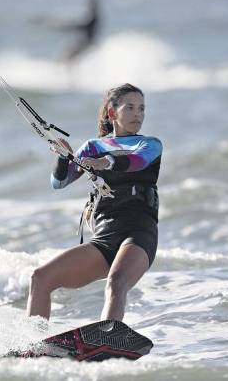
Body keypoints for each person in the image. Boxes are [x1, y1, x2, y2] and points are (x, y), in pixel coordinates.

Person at [26, 83, 162, 322]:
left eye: (142, 108)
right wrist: (61, 157)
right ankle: (33, 346)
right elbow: (59, 182)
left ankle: (109, 339)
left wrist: (107, 162)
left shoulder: (149, 144)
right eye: (130, 108)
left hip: (139, 232)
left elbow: (137, 162)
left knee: (116, 283)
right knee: (40, 278)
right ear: (112, 113)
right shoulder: (93, 147)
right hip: (105, 235)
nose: (138, 114)